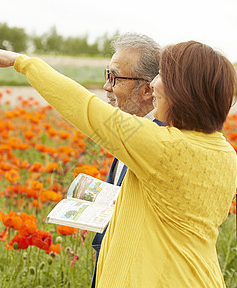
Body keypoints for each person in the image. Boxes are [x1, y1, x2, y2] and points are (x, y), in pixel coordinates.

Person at [0, 38, 237, 287]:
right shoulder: (226, 153)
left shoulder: (162, 146)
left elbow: (84, 107)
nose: (154, 84)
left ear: (183, 91)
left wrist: (22, 62)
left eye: (162, 76)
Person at [91, 33, 162, 288]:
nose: (107, 87)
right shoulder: (130, 128)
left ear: (147, 89)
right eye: (106, 75)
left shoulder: (157, 140)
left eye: (115, 77)